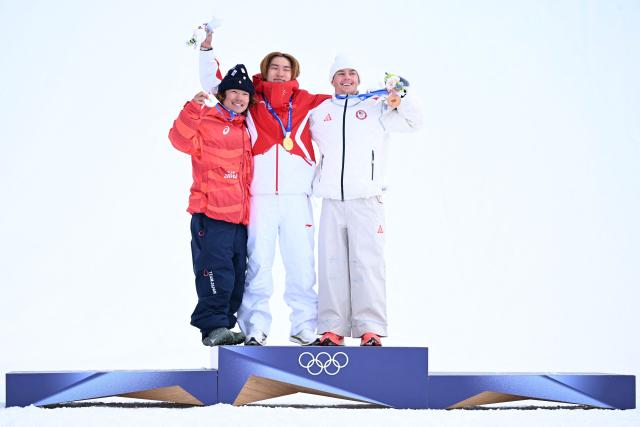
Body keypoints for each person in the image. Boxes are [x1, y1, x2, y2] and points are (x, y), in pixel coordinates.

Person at [199, 32, 330, 346]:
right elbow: (213, 85)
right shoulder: (252, 97)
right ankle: (255, 327)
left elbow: (346, 104)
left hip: (297, 197)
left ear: (294, 72)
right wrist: (206, 50)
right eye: (275, 67)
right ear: (266, 69)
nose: (280, 72)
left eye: (286, 68)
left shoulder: (309, 102)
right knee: (258, 264)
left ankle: (305, 326)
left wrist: (391, 96)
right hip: (259, 198)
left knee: (301, 263)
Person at [309, 55, 424, 346]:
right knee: (331, 264)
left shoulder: (376, 107)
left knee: (367, 264)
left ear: (359, 79)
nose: (346, 78)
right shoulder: (320, 112)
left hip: (366, 199)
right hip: (333, 200)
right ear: (331, 80)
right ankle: (332, 329)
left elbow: (414, 122)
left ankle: (369, 328)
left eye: (352, 73)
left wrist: (400, 97)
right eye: (340, 74)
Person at [169, 64, 255, 346]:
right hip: (212, 214)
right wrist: (193, 109)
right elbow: (179, 141)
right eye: (234, 92)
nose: (239, 98)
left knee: (236, 277)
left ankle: (224, 327)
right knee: (215, 272)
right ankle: (213, 327)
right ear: (223, 94)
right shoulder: (206, 119)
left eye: (244, 94)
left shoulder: (245, 127)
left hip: (239, 219)